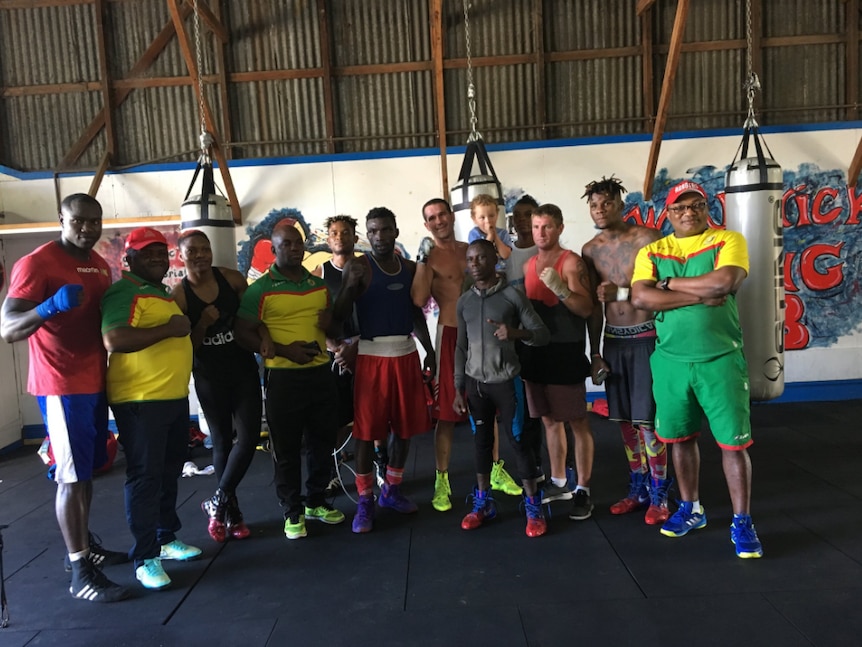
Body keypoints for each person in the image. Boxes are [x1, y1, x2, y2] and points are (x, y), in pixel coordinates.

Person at [1, 194, 128, 603]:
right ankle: (79, 571)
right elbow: (9, 328)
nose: (88, 228)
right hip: (59, 382)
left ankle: (86, 548)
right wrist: (49, 306)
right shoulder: (37, 263)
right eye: (79, 221)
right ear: (62, 218)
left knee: (87, 472)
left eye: (95, 221)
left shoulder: (98, 265)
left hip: (94, 380)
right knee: (71, 477)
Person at [631, 180, 763, 558]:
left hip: (720, 358)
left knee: (732, 445)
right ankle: (691, 508)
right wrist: (699, 292)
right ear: (668, 213)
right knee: (680, 439)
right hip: (670, 361)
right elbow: (641, 297)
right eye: (679, 208)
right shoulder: (654, 250)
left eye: (695, 206)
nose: (688, 213)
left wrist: (670, 284)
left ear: (707, 209)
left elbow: (725, 281)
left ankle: (743, 520)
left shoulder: (728, 240)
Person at [101, 227, 202, 591]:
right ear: (129, 258)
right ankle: (145, 557)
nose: (159, 259)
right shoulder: (122, 291)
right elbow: (114, 338)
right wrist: (171, 329)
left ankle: (164, 538)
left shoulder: (159, 292)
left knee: (169, 470)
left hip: (172, 398)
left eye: (162, 253)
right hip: (140, 400)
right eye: (149, 253)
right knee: (145, 477)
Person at [235, 220, 345, 541]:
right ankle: (292, 510)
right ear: (273, 250)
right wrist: (284, 350)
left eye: (298, 243)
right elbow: (242, 332)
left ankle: (316, 501)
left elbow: (333, 330)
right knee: (286, 448)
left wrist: (332, 326)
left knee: (322, 441)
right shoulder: (261, 289)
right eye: (286, 244)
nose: (294, 249)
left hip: (321, 372)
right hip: (282, 377)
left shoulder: (319, 285)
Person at [411, 198, 522, 513]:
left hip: (482, 335)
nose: (438, 221)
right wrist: (421, 258)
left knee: (489, 406)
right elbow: (418, 298)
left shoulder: (470, 249)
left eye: (442, 214)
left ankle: (496, 470)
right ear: (427, 224)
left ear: (450, 216)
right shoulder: (429, 257)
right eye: (431, 217)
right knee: (447, 414)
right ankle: (441, 480)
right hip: (449, 335)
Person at [334, 207, 435, 533]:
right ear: (368, 233)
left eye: (385, 230)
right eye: (373, 231)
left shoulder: (409, 268)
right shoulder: (358, 266)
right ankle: (365, 499)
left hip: (405, 354)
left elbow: (416, 314)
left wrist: (429, 350)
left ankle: (391, 489)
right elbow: (338, 315)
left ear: (395, 231)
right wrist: (349, 287)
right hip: (371, 356)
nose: (379, 236)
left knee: (403, 429)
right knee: (366, 432)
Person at [581, 176, 670, 525]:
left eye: (606, 203)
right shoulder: (590, 250)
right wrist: (595, 353)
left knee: (649, 422)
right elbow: (593, 306)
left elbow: (665, 286)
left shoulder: (647, 238)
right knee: (625, 424)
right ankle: (639, 488)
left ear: (621, 204)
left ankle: (661, 491)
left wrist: (621, 293)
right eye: (593, 204)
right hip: (614, 341)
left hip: (648, 337)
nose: (600, 209)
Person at [453, 239, 550, 536]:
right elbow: (460, 346)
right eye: (470, 259)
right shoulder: (465, 301)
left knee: (519, 441)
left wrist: (515, 332)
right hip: (475, 385)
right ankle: (483, 503)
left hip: (506, 382)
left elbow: (542, 335)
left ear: (494, 259)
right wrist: (458, 387)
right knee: (481, 443)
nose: (474, 263)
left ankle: (534, 505)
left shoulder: (512, 296)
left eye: (481, 258)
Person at [172, 230, 263, 543]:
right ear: (181, 256)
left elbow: (252, 318)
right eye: (192, 251)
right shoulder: (180, 296)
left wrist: (263, 339)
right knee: (222, 442)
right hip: (210, 376)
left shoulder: (233, 280)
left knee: (249, 437)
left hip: (243, 370)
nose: (200, 255)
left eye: (204, 249)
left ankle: (219, 499)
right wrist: (203, 323)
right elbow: (187, 346)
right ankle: (232, 514)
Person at [520, 203, 595, 520]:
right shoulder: (529, 265)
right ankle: (560, 481)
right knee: (548, 420)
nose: (540, 232)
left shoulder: (571, 262)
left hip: (566, 349)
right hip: (537, 351)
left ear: (560, 228)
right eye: (536, 227)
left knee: (577, 421)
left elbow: (586, 308)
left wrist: (562, 289)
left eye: (547, 226)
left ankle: (584, 490)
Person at [312, 215, 361, 494]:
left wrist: (357, 344)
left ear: (355, 237)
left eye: (345, 232)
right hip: (336, 354)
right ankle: (332, 469)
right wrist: (335, 347)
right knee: (337, 419)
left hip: (366, 348)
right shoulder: (320, 273)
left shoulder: (367, 269)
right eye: (334, 232)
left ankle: (381, 465)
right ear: (328, 239)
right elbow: (313, 317)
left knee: (375, 414)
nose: (340, 236)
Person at [467, 194, 513, 267]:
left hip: (502, 273)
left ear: (497, 215)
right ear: (474, 219)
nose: (488, 221)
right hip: (484, 273)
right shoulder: (474, 234)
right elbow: (479, 255)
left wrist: (495, 236)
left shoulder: (503, 233)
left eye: (491, 216)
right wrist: (490, 236)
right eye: (482, 217)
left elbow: (505, 255)